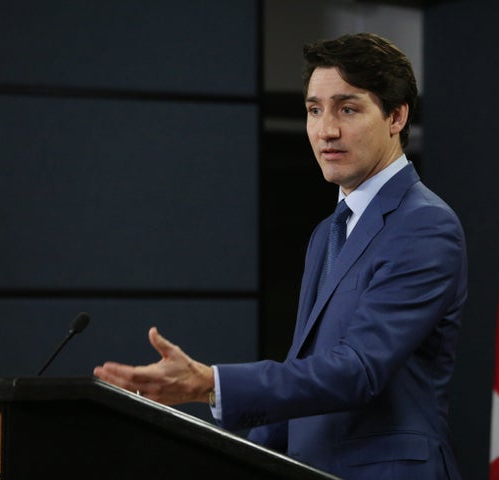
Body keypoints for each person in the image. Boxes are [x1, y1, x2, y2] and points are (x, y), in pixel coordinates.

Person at [94, 32, 467, 480]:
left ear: (396, 116)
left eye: (347, 109)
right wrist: (235, 456)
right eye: (314, 110)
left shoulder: (424, 225)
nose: (325, 129)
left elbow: (357, 369)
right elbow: (305, 373)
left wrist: (212, 384)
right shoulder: (327, 232)